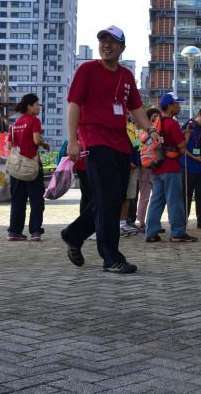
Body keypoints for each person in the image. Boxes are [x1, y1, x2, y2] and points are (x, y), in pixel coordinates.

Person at [61, 25, 153, 274]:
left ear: (122, 47)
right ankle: (111, 257)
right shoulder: (87, 69)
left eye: (112, 41)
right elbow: (73, 104)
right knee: (109, 199)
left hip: (121, 144)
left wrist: (151, 130)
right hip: (95, 141)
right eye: (103, 41)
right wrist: (72, 140)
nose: (106, 45)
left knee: (112, 198)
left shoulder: (126, 75)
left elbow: (136, 109)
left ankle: (73, 233)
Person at [145, 92, 201, 243]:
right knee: (175, 201)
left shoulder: (156, 122)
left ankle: (151, 232)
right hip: (171, 167)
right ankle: (178, 232)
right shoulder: (172, 123)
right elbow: (181, 144)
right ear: (169, 106)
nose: (179, 106)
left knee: (156, 201)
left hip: (156, 166)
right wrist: (188, 134)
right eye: (177, 104)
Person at [7, 93, 50, 241]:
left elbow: (9, 145)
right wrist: (45, 144)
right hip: (32, 166)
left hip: (16, 168)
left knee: (17, 200)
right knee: (36, 199)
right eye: (37, 105)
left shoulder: (15, 124)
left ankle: (14, 232)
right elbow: (37, 140)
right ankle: (35, 231)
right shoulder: (34, 121)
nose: (39, 107)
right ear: (29, 106)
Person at [182, 105, 201, 230]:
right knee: (186, 196)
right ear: (198, 115)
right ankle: (183, 221)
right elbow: (181, 147)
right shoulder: (188, 126)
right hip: (188, 167)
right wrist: (193, 157)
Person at [134, 107, 160, 233]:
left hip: (156, 168)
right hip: (144, 168)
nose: (156, 119)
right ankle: (142, 223)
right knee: (144, 197)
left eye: (158, 117)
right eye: (153, 117)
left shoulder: (159, 132)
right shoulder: (142, 133)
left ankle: (154, 222)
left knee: (157, 197)